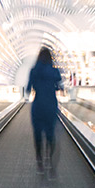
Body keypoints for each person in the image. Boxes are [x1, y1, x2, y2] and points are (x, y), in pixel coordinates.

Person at [24, 46, 64, 178]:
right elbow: (59, 86)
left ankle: (39, 162)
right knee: (50, 134)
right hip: (51, 106)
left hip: (38, 106)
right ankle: (50, 161)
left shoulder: (33, 71)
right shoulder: (55, 71)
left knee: (37, 135)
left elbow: (28, 89)